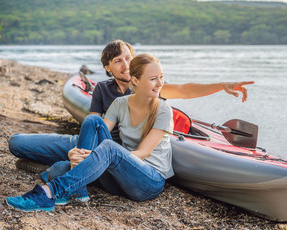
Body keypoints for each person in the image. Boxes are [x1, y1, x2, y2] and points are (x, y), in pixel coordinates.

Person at [8, 39, 254, 203]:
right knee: (17, 143)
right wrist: (78, 151)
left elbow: (186, 90)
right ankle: (66, 169)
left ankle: (56, 173)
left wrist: (222, 85)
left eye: (128, 58)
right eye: (118, 61)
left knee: (64, 168)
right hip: (92, 143)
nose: (125, 64)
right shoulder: (103, 91)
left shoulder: (150, 90)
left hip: (120, 156)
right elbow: (93, 123)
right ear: (108, 68)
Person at [6, 54, 174, 212]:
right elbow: (97, 133)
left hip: (147, 181)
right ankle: (79, 191)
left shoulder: (164, 110)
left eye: (161, 77)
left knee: (101, 151)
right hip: (118, 180)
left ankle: (49, 192)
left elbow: (142, 153)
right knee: (92, 122)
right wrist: (77, 152)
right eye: (153, 79)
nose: (160, 83)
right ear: (136, 80)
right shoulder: (120, 103)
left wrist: (96, 156)